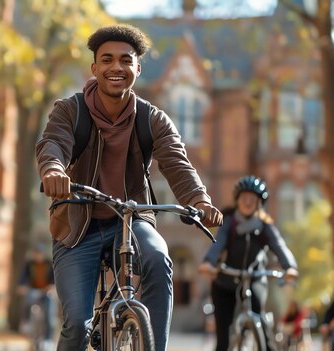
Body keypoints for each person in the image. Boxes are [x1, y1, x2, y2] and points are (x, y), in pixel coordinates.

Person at [35, 24, 223, 350]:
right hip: (78, 225)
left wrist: (199, 200)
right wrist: (53, 170)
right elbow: (53, 144)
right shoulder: (70, 110)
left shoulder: (152, 119)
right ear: (95, 68)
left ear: (137, 68)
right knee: (77, 325)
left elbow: (178, 164)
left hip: (131, 219)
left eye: (126, 60)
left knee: (159, 258)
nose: (116, 67)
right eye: (107, 60)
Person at [199, 175, 298, 351]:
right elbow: (218, 244)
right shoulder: (229, 222)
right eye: (244, 197)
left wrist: (289, 267)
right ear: (237, 200)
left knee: (263, 329)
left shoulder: (265, 226)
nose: (248, 201)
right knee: (224, 340)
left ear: (259, 202)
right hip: (225, 281)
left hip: (255, 279)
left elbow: (280, 246)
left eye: (252, 198)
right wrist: (209, 262)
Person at [17, 243, 56, 343]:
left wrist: (51, 287)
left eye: (39, 254)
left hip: (46, 292)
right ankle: (26, 322)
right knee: (27, 300)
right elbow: (23, 278)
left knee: (49, 312)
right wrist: (21, 286)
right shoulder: (29, 264)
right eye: (36, 253)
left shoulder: (49, 264)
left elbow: (54, 279)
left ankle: (48, 339)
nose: (37, 256)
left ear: (42, 254)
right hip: (33, 291)